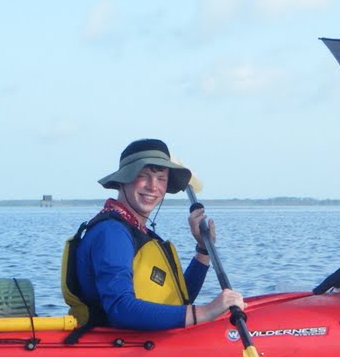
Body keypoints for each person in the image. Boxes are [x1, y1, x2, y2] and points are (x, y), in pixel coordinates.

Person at [62, 138, 243, 332]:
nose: (153, 186)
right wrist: (207, 311)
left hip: (143, 344)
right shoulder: (112, 233)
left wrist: (203, 250)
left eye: (161, 178)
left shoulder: (137, 231)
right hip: (114, 349)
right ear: (124, 179)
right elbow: (121, 309)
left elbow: (176, 299)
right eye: (143, 175)